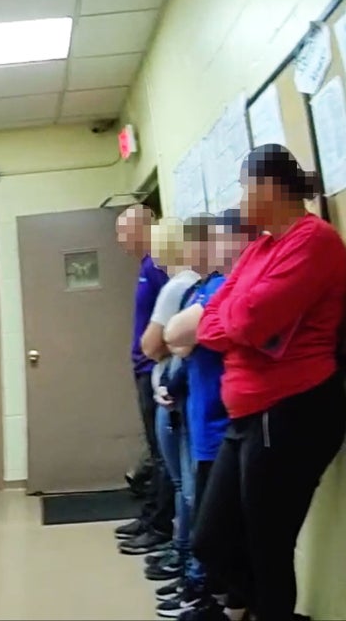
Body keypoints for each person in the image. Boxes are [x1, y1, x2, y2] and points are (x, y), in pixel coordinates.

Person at [192, 144, 346, 621]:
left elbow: (245, 321)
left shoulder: (313, 241)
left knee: (268, 546)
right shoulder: (261, 248)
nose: (241, 199)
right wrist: (238, 323)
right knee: (212, 542)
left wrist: (237, 323)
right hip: (246, 416)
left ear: (266, 187)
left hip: (291, 411)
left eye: (244, 187)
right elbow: (212, 323)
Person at [161, 209, 252, 621]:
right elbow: (174, 340)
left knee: (218, 533)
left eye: (221, 239)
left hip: (224, 425)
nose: (213, 248)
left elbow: (179, 337)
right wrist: (188, 340)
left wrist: (190, 338)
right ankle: (219, 599)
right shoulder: (209, 286)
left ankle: (221, 600)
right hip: (202, 422)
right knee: (211, 530)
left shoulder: (229, 287)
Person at [139, 218, 202, 584]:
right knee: (188, 483)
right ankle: (184, 555)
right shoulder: (196, 283)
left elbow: (151, 344)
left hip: (171, 393)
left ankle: (186, 562)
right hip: (185, 390)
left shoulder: (177, 284)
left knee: (184, 484)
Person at [114, 205, 176, 556]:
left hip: (156, 369)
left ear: (142, 228)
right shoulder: (146, 265)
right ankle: (150, 516)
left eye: (124, 232)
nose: (121, 241)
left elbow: (174, 316)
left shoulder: (159, 265)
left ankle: (159, 526)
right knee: (156, 453)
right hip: (142, 369)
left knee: (164, 457)